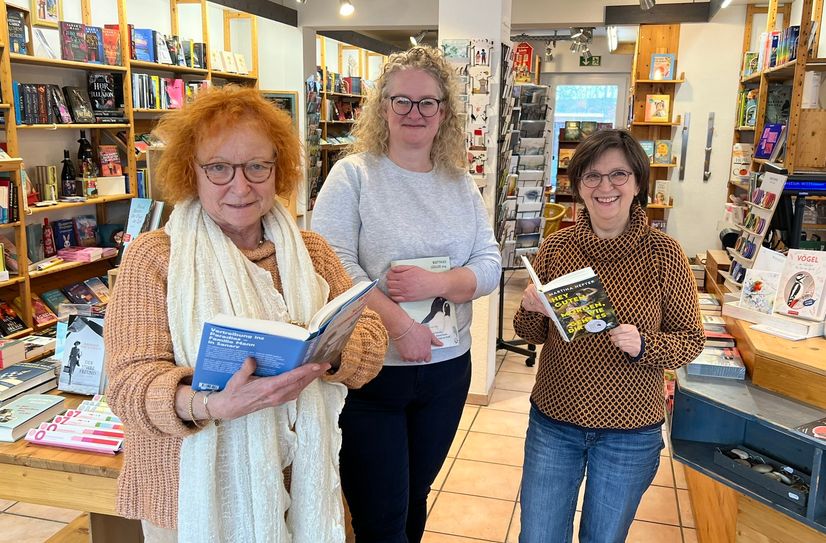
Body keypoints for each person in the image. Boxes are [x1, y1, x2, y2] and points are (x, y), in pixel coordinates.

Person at [103, 86, 388, 543]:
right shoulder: (156, 257)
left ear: (279, 171)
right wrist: (210, 405)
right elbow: (128, 385)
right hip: (186, 496)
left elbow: (371, 340)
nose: (241, 186)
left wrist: (325, 352)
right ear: (190, 172)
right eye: (218, 168)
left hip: (300, 480)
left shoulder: (310, 251)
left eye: (257, 166)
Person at [312, 46, 502, 543]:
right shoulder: (353, 175)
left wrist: (438, 285)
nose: (414, 113)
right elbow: (333, 265)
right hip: (372, 371)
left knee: (416, 497)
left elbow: (489, 264)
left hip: (446, 372)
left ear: (444, 113)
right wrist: (400, 324)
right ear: (383, 107)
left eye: (427, 103)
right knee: (380, 514)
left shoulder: (461, 184)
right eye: (402, 101)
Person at [514, 129, 704, 543]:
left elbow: (691, 340)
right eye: (592, 176)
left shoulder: (664, 253)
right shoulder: (557, 247)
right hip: (554, 422)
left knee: (604, 537)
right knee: (538, 535)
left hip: (630, 433)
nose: (605, 187)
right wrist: (529, 308)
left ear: (638, 183)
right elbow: (532, 334)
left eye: (618, 174)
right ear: (578, 185)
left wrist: (645, 345)